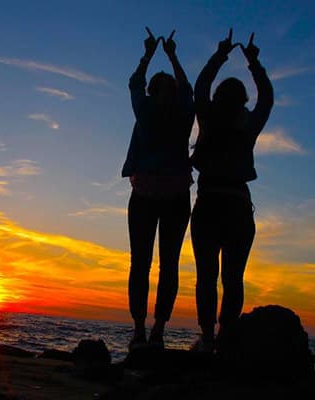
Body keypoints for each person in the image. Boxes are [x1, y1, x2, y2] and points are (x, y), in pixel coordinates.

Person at [190, 29, 274, 353]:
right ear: (242, 100)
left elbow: (200, 86)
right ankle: (225, 337)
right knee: (233, 278)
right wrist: (254, 62)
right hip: (238, 208)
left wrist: (220, 54)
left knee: (207, 276)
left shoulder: (209, 118)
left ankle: (209, 338)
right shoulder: (246, 124)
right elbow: (266, 97)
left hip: (209, 205)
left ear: (218, 97)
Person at [121, 27, 195, 351]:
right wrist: (171, 55)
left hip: (151, 196)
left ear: (153, 92)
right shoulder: (181, 113)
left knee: (144, 263)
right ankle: (152, 331)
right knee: (164, 264)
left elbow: (135, 83)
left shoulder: (148, 110)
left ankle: (146, 330)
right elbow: (187, 90)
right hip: (171, 197)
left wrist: (150, 54)